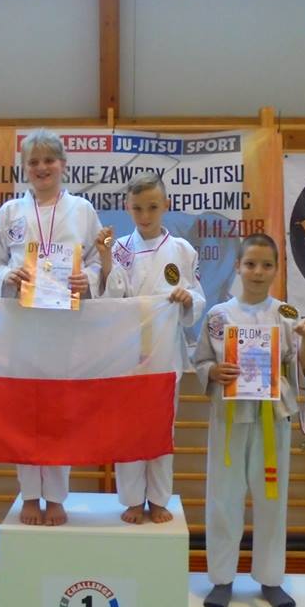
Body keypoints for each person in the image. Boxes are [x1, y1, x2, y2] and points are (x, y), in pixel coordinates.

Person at [0, 128, 102, 526]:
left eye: (49, 160)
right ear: (24, 169)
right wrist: (7, 276)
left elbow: (97, 261)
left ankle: (56, 497)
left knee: (57, 413)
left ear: (63, 165)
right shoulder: (10, 212)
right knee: (25, 413)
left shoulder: (82, 210)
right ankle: (29, 495)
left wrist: (88, 278)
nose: (42, 168)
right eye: (33, 162)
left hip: (64, 326)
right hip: (23, 324)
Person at [193, 233, 305, 607]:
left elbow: (304, 370)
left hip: (272, 418)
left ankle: (271, 578)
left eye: (266, 265)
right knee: (223, 498)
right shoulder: (218, 315)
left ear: (277, 269)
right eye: (250, 264)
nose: (258, 272)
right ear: (238, 267)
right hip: (229, 417)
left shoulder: (288, 315)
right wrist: (214, 371)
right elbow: (201, 362)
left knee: (271, 500)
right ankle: (222, 579)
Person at [96, 172, 205, 524]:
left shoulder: (182, 250)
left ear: (166, 206)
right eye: (138, 208)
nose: (145, 215)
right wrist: (106, 261)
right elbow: (110, 299)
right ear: (127, 207)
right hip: (127, 353)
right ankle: (132, 500)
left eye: (153, 207)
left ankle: (158, 499)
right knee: (128, 429)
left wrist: (187, 299)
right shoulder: (119, 248)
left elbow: (198, 298)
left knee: (161, 428)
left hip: (165, 354)